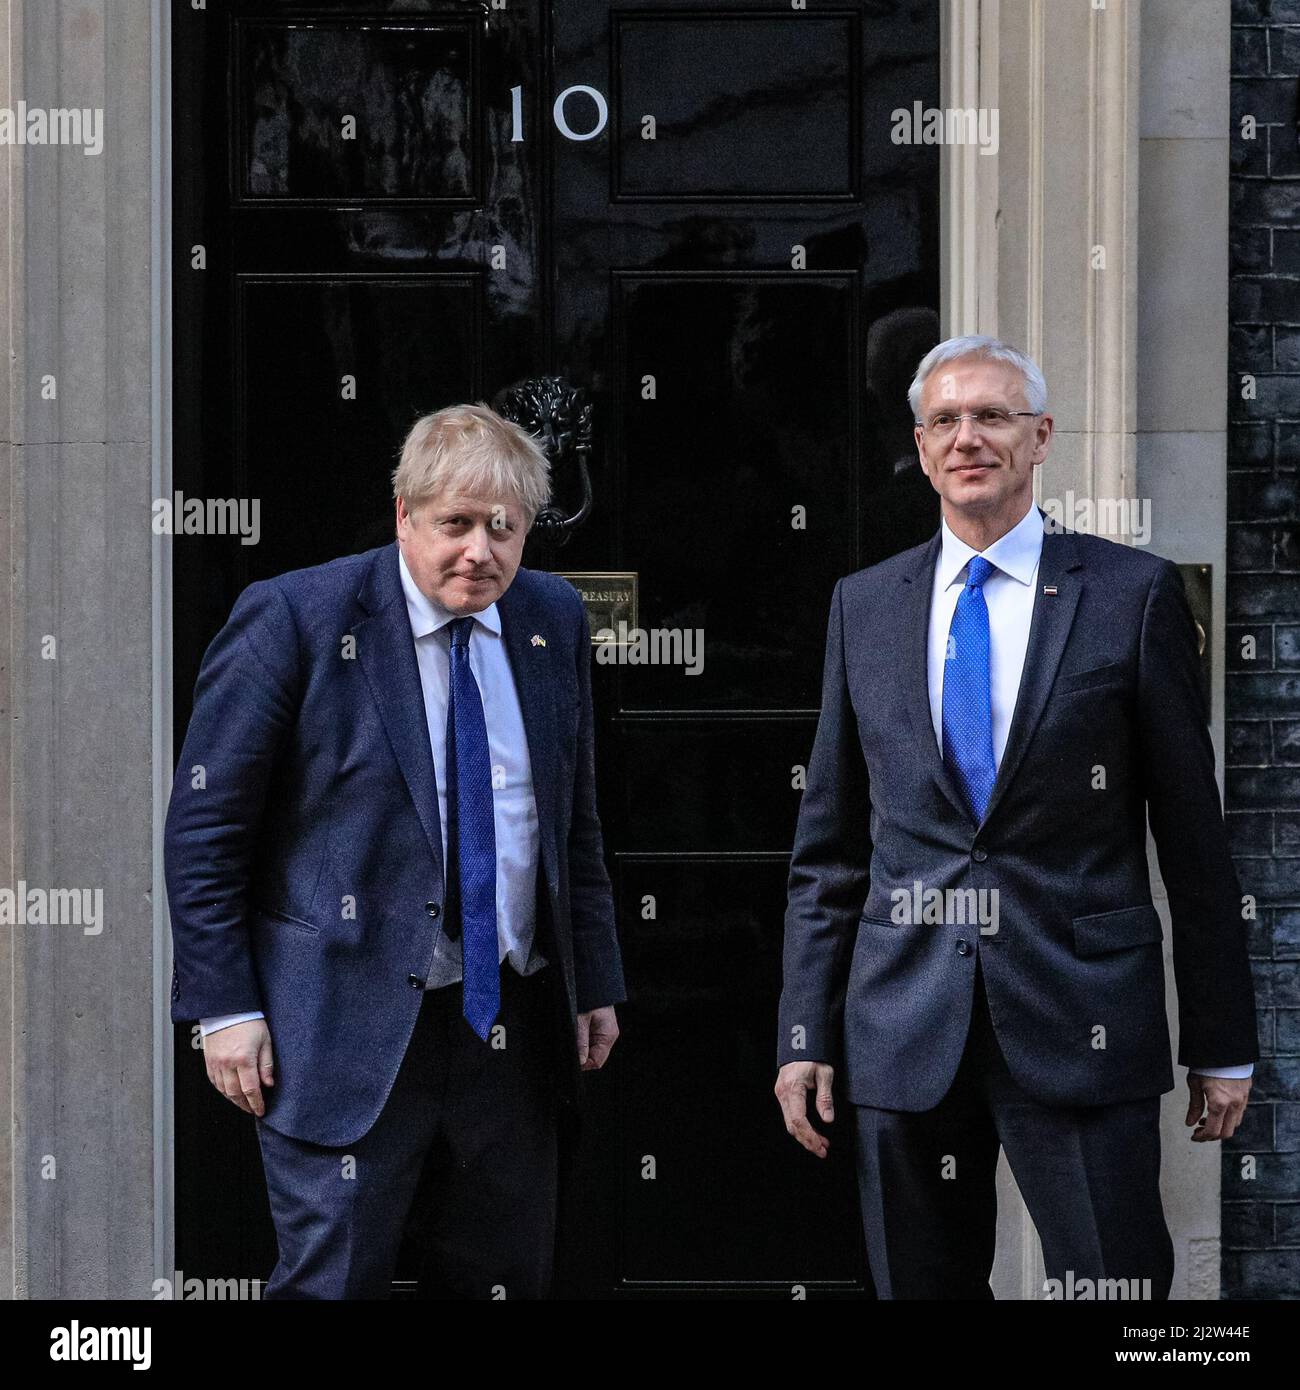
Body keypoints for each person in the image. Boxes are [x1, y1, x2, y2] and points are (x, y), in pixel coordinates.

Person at [774, 335, 1257, 1300]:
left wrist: (1222, 1041)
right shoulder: (862, 607)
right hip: (903, 1025)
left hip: (1082, 1012)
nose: (969, 439)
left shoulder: (1132, 596)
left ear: (1039, 439)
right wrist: (803, 1034)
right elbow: (827, 853)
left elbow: (1195, 846)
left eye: (993, 417)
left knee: (1117, 1291)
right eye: (947, 421)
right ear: (920, 447)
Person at [166, 402, 625, 1299]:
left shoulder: (553, 617)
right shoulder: (297, 617)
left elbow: (573, 821)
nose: (480, 552)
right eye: (455, 524)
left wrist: (594, 978)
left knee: (500, 1279)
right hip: (339, 1028)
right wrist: (222, 1006)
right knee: (334, 1283)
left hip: (511, 1027)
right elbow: (206, 830)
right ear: (405, 515)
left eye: (505, 527)